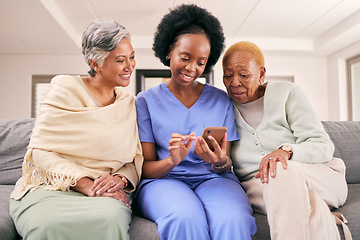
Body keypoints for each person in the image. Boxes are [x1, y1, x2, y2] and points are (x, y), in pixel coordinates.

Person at [9, 18, 143, 240]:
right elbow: (40, 151)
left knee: (109, 219)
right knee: (47, 226)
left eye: (132, 57)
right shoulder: (64, 87)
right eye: (121, 60)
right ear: (96, 63)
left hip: (104, 193)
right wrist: (85, 185)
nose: (130, 66)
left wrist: (118, 180)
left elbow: (134, 159)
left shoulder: (128, 103)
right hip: (54, 188)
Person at [135, 4, 256, 240]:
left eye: (201, 62)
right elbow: (145, 168)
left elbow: (224, 163)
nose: (192, 68)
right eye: (185, 57)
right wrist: (172, 160)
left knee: (234, 219)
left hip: (214, 179)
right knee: (184, 217)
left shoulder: (221, 99)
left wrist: (220, 161)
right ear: (169, 51)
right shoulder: (145, 101)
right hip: (163, 181)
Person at [222, 41, 351, 240]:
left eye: (244, 75)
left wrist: (286, 151)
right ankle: (322, 217)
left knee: (280, 170)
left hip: (319, 177)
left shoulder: (287, 93)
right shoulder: (221, 107)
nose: (234, 82)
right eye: (228, 75)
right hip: (260, 186)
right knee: (288, 193)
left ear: (262, 74)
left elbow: (322, 145)